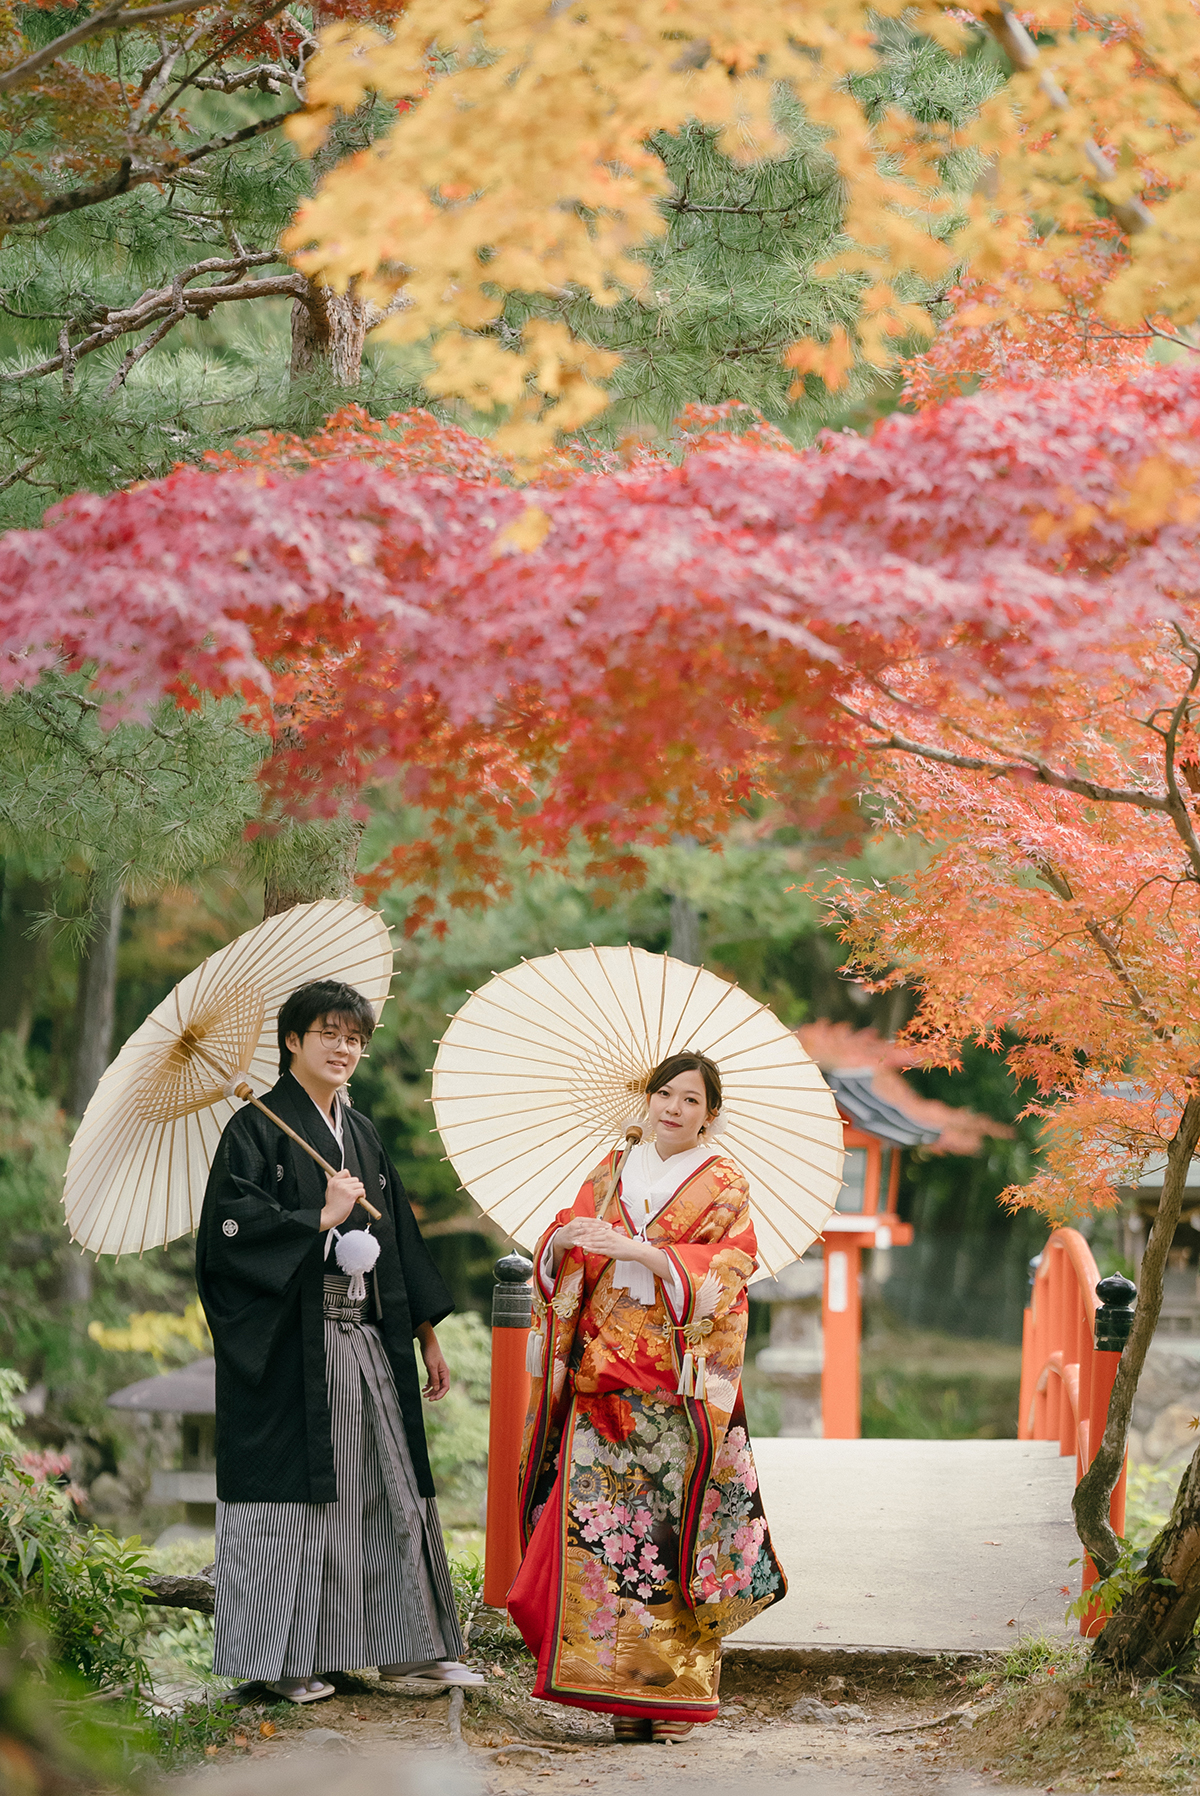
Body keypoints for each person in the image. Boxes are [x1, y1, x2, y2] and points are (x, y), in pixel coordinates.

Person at [196, 977, 483, 1702]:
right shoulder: (254, 1129)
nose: (344, 1048)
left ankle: (405, 1648)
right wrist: (317, 1219)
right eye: (329, 1033)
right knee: (296, 1497)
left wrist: (423, 1332)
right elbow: (226, 1240)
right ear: (293, 1040)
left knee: (385, 1484)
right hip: (293, 1347)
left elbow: (402, 1239)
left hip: (369, 1339)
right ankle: (282, 1659)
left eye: (355, 1038)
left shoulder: (360, 1133)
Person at [508, 1051, 785, 1744]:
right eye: (665, 1094)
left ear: (709, 1114)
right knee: (602, 1541)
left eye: (690, 1100)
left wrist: (646, 1254)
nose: (674, 1108)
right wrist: (563, 1241)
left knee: (668, 1539)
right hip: (599, 1377)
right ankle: (616, 1693)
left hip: (673, 1385)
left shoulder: (724, 1182)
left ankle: (673, 1696)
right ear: (648, 1099)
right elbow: (563, 1249)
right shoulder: (611, 1169)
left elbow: (730, 1268)